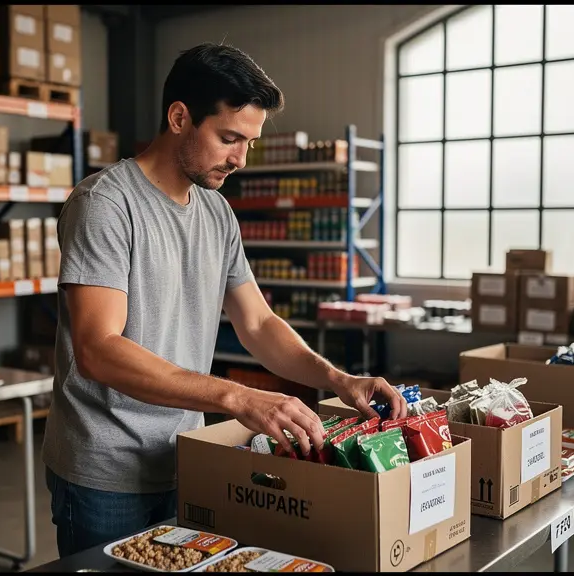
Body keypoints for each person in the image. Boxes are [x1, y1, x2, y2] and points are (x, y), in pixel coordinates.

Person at [41, 42, 406, 558]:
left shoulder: (216, 213)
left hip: (186, 459)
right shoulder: (105, 204)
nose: (239, 158)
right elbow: (98, 348)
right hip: (105, 473)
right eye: (228, 138)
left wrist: (337, 379)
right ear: (179, 117)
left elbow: (257, 323)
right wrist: (238, 397)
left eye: (249, 143)